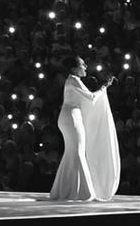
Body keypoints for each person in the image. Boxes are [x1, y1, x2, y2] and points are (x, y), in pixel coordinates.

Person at [49, 56, 120, 201]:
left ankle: (65, 189)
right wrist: (104, 87)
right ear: (74, 68)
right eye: (82, 64)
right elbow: (91, 98)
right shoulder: (73, 80)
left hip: (70, 116)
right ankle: (82, 191)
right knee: (77, 152)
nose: (86, 66)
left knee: (72, 152)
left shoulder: (73, 80)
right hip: (71, 118)